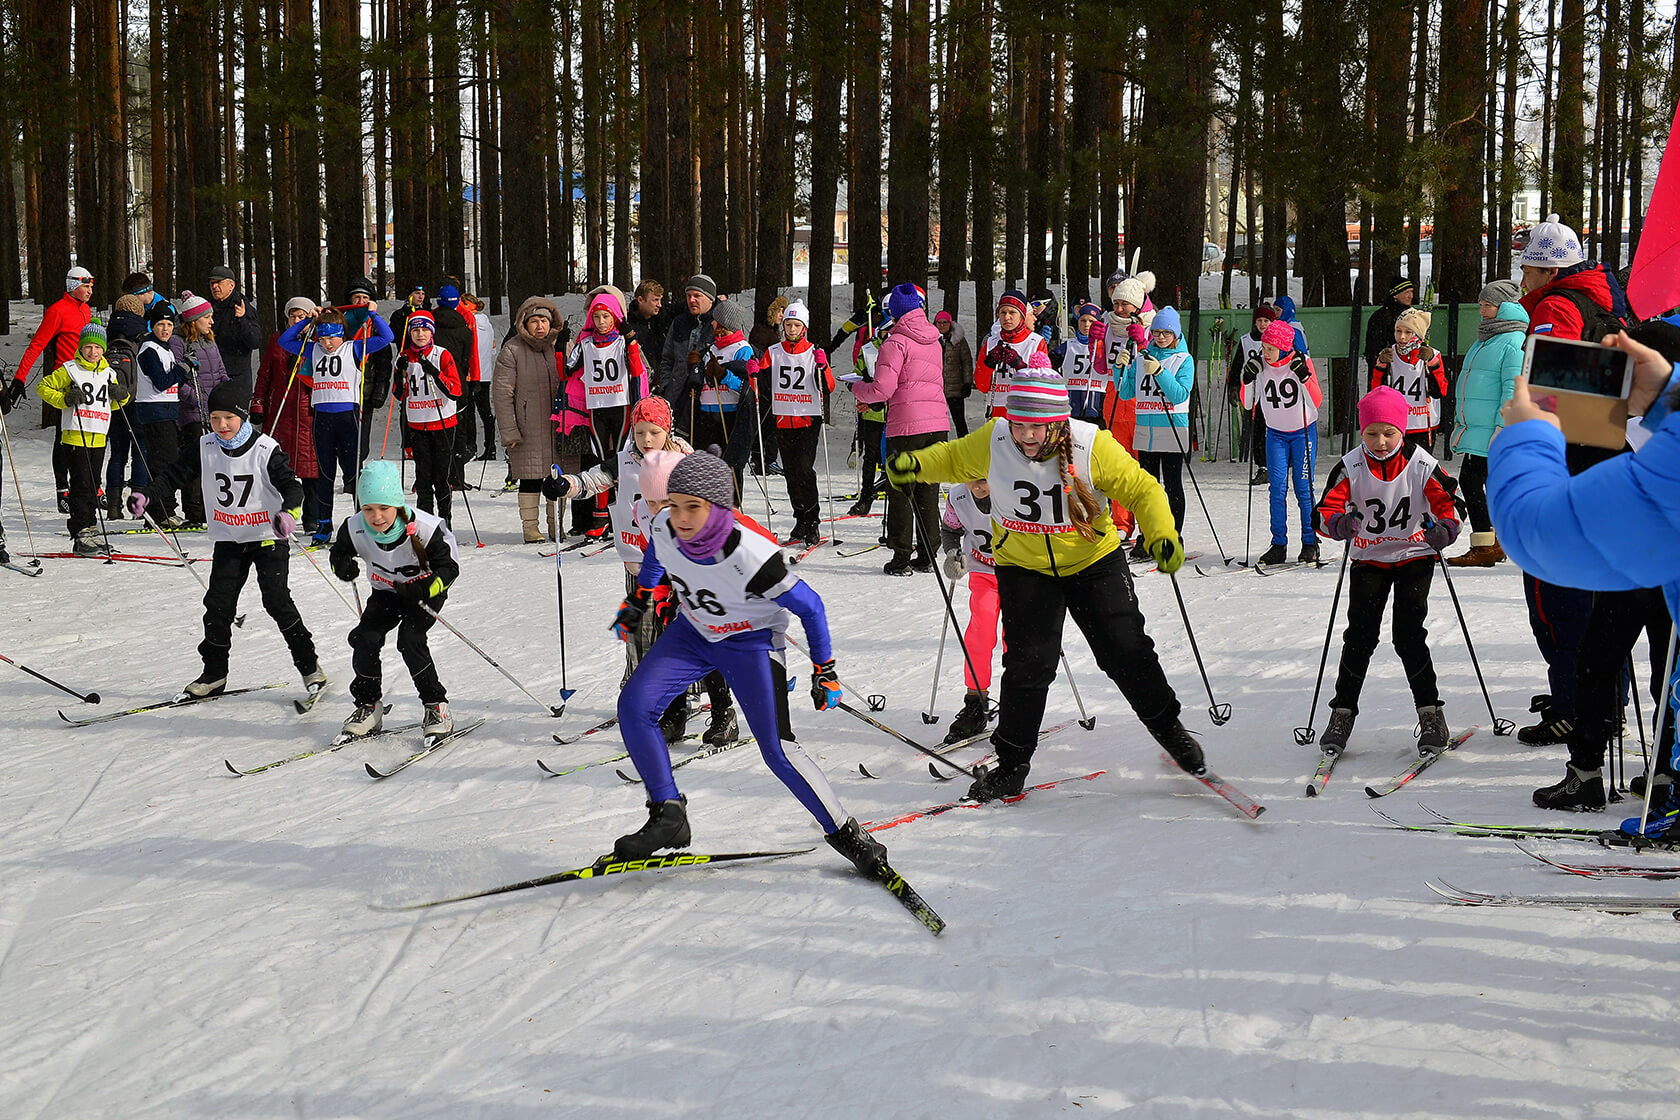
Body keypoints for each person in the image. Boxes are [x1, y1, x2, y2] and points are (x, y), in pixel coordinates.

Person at [884, 369, 1211, 802]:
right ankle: (1012, 763)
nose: (1025, 435)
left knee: (1125, 649)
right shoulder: (996, 439)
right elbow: (951, 458)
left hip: (1092, 561)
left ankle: (1169, 729)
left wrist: (1162, 534)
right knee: (1027, 665)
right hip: (1024, 566)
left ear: (1057, 421)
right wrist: (916, 464)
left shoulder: (1090, 443)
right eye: (1018, 423)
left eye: (1035, 426)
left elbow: (1143, 490)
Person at [606, 451, 890, 881]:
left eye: (693, 507)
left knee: (777, 751)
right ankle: (668, 813)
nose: (679, 517)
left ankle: (849, 835)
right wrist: (634, 608)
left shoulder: (747, 552)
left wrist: (824, 669)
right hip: (694, 634)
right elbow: (652, 566)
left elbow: (811, 608)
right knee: (634, 707)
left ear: (719, 509)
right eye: (673, 503)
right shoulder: (665, 526)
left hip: (750, 643)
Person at [1489, 330, 1680, 822]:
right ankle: (1628, 772)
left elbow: (1537, 527)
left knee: (1625, 665)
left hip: (1635, 558)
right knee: (1624, 665)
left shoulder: (1614, 424)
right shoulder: (1610, 417)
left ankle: (1648, 775)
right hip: (1641, 560)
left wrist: (1528, 434)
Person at [128, 382, 323, 701]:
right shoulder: (204, 446)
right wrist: (147, 495)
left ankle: (310, 668)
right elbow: (173, 475)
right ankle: (214, 674)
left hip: (266, 538)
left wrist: (289, 512)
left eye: (229, 418)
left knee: (277, 601)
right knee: (217, 606)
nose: (221, 426)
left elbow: (292, 487)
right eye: (216, 418)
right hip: (231, 539)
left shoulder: (264, 449)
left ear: (243, 417)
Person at [1512, 213, 1628, 745]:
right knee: (1596, 597)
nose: (1522, 277)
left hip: (1571, 469)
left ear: (1544, 269)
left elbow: (1551, 395)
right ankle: (1597, 701)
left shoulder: (1558, 307)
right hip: (1607, 461)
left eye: (1527, 267)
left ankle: (1576, 707)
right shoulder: (1604, 299)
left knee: (1556, 597)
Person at [1311, 386, 1461, 756]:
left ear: (1403, 429)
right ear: (1361, 432)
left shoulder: (1421, 463)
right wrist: (1338, 525)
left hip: (1414, 555)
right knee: (1359, 636)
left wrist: (1446, 528)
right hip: (1369, 558)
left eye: (1389, 433)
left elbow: (1451, 504)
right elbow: (1323, 512)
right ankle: (1342, 712)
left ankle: (1431, 714)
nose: (1380, 441)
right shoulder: (1350, 466)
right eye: (1371, 433)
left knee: (1408, 635)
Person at [329, 459, 461, 739]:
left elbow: (450, 569)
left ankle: (436, 705)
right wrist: (342, 566)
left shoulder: (427, 528)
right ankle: (369, 706)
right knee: (365, 638)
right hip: (386, 593)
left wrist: (425, 587)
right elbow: (338, 553)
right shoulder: (355, 527)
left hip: (424, 593)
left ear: (398, 505)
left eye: (384, 508)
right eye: (368, 508)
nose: (376, 517)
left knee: (410, 640)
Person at [277, 303, 396, 544]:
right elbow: (285, 341)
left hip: (348, 416)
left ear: (341, 334)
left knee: (353, 474)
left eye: (332, 338)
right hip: (323, 418)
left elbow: (387, 336)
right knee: (325, 473)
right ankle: (324, 524)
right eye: (323, 338)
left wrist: (372, 313)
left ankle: (365, 523)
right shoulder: (313, 350)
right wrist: (308, 322)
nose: (327, 343)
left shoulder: (354, 348)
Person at [854, 283, 947, 575]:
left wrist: (858, 388)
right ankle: (929, 553)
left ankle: (901, 557)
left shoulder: (895, 342)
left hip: (907, 425)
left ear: (894, 311)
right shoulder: (934, 339)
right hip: (937, 424)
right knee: (928, 490)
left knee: (901, 491)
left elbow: (883, 388)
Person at [1447, 280, 1526, 567]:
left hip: (1493, 430)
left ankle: (1488, 543)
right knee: (1482, 482)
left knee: (1472, 479)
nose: (1481, 309)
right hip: (1478, 429)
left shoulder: (1513, 341)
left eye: (1488, 304)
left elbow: (1512, 388)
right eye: (1481, 303)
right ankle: (1494, 540)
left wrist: (1502, 427)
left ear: (1504, 307)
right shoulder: (1488, 337)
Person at [6, 265, 95, 508]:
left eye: (91, 286)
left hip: (87, 380)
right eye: (85, 286)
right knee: (64, 436)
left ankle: (88, 487)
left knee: (86, 433)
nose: (90, 290)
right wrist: (19, 378)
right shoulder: (58, 311)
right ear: (73, 286)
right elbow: (37, 344)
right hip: (65, 380)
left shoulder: (86, 310)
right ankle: (62, 490)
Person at [37, 320, 128, 555]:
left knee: (94, 486)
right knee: (81, 485)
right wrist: (64, 399)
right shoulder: (70, 369)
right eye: (88, 347)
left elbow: (118, 403)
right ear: (80, 347)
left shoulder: (109, 373)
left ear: (103, 349)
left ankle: (91, 528)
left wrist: (122, 394)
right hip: (75, 435)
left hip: (98, 435)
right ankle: (80, 533)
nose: (93, 352)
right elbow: (43, 387)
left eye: (97, 348)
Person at [1241, 317, 1323, 564]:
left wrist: (1304, 377)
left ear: (1284, 347)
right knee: (1276, 489)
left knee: (1303, 488)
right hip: (1275, 434)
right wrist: (1247, 379)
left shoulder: (1301, 361)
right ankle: (1279, 543)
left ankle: (1310, 542)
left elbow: (1317, 401)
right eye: (1263, 347)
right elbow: (1248, 403)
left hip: (1302, 433)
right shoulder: (1260, 365)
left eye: (1270, 348)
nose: (1265, 353)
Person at [1118, 305, 1194, 554]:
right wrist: (1121, 369)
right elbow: (1127, 392)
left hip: (1172, 428)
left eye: (1167, 333)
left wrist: (1160, 372)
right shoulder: (1142, 356)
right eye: (1157, 332)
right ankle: (1147, 535)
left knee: (1172, 486)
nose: (1161, 337)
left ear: (1176, 335)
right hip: (1145, 431)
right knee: (1147, 489)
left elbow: (1180, 394)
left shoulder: (1184, 359)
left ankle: (1172, 536)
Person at [492, 295, 564, 543]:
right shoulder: (512, 350)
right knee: (531, 478)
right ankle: (530, 527)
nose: (540, 326)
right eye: (534, 321)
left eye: (544, 320)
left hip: (557, 425)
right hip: (527, 427)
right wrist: (510, 431)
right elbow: (502, 394)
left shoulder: (560, 346)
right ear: (524, 323)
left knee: (557, 478)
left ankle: (557, 525)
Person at [762, 299, 834, 545]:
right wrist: (753, 371)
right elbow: (759, 380)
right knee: (791, 473)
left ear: (804, 328)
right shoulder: (774, 352)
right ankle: (800, 517)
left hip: (807, 420)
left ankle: (813, 519)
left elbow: (830, 386)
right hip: (783, 420)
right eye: (788, 324)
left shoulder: (814, 353)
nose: (791, 329)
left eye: (796, 325)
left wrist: (823, 368)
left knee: (804, 470)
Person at [937, 479, 1002, 743]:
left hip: (1021, 574)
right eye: (971, 478)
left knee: (1019, 639)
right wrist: (953, 554)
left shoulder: (1011, 486)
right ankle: (976, 701)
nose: (978, 486)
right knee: (980, 634)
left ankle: (1018, 704)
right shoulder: (958, 496)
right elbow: (950, 530)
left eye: (985, 479)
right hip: (984, 571)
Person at [252, 297, 322, 532]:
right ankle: (277, 512)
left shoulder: (318, 342)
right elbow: (264, 374)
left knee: (311, 469)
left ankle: (312, 517)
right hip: (280, 413)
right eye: (292, 316)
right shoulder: (278, 341)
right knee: (277, 468)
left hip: (308, 412)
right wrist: (258, 404)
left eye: (301, 316)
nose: (296, 320)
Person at [392, 309, 464, 526]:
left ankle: (445, 522)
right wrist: (399, 374)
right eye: (415, 330)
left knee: (441, 477)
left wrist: (434, 371)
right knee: (422, 478)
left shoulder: (442, 354)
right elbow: (399, 394)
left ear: (431, 332)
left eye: (424, 330)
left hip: (442, 422)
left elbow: (455, 390)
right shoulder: (404, 356)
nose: (420, 334)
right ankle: (425, 523)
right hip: (417, 424)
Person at [175, 293, 232, 527]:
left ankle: (212, 506)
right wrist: (193, 398)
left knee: (214, 461)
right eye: (207, 317)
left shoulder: (210, 341)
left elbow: (220, 371)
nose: (211, 321)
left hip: (213, 411)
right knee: (195, 461)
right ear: (194, 319)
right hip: (192, 410)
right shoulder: (179, 342)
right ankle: (194, 508)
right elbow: (176, 380)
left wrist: (226, 396)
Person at [132, 301, 186, 524]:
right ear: (152, 325)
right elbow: (161, 382)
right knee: (161, 463)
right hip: (154, 410)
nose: (165, 329)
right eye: (160, 324)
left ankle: (166, 508)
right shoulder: (149, 349)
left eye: (169, 325)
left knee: (169, 461)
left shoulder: (164, 348)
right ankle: (159, 511)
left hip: (167, 410)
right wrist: (182, 370)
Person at [693, 298, 754, 494]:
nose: (712, 323)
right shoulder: (711, 348)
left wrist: (723, 375)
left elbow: (747, 387)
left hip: (728, 416)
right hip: (705, 414)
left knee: (729, 467)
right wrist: (694, 369)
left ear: (724, 324)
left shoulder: (742, 349)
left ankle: (732, 510)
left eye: (715, 320)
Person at [1369, 307, 1447, 453]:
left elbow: (1440, 391)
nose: (1402, 337)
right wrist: (1380, 366)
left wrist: (1432, 364)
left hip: (1423, 424)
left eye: (1408, 332)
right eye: (1398, 331)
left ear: (1418, 334)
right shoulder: (1389, 354)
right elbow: (1376, 391)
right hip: (1396, 423)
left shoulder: (1432, 354)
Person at [101, 294, 150, 520]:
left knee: (117, 454)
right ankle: (137, 508)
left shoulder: (107, 334)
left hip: (114, 402)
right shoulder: (142, 334)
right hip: (137, 401)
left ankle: (113, 506)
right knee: (140, 452)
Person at [343, 277, 397, 463]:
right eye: (356, 297)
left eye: (365, 298)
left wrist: (380, 392)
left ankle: (356, 472)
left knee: (361, 438)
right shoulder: (340, 324)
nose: (360, 302)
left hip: (365, 391)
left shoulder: (376, 327)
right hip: (341, 390)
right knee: (343, 438)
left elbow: (384, 363)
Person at [974, 290, 1049, 419]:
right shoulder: (991, 342)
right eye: (1003, 313)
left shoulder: (1036, 342)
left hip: (1024, 411)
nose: (1007, 317)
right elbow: (981, 386)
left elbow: (1043, 386)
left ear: (1022, 316)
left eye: (1012, 312)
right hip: (996, 412)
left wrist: (1020, 366)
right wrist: (988, 364)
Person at [658, 275, 718, 425]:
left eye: (697, 296)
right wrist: (667, 385)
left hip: (709, 400)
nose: (691, 300)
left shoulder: (720, 323)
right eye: (689, 296)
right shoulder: (679, 322)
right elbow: (667, 358)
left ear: (710, 298)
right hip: (676, 397)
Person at [1230, 304, 1279, 483]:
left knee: (1276, 429)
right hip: (1255, 393)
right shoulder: (1246, 340)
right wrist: (1234, 385)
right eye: (1259, 320)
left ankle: (1278, 463)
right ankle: (1263, 466)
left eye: (1266, 320)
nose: (1262, 324)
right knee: (1258, 430)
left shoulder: (1278, 341)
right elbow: (1237, 365)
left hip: (1275, 392)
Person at [206, 265, 264, 395]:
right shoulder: (209, 307)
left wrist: (241, 320)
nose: (215, 287)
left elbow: (255, 342)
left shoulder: (243, 307)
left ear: (231, 285)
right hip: (212, 376)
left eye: (219, 282)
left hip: (236, 379)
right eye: (212, 283)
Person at [458, 292, 499, 460]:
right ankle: (490, 447)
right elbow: (493, 349)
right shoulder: (487, 324)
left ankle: (471, 447)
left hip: (471, 374)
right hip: (485, 374)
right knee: (485, 412)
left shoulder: (469, 322)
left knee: (469, 412)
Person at [1058, 302, 1103, 425]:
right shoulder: (1069, 345)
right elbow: (1049, 363)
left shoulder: (1104, 345)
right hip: (1073, 404)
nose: (1087, 325)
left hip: (1096, 405)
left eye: (1091, 321)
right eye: (1083, 320)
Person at [933, 309, 974, 438]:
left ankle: (965, 446)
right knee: (937, 422)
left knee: (959, 420)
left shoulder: (959, 340)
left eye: (945, 322)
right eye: (939, 322)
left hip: (955, 388)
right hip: (936, 388)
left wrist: (967, 382)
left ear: (950, 324)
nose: (942, 325)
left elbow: (967, 361)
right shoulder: (931, 340)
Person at [1363, 278, 1415, 376]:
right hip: (1385, 372)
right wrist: (1383, 360)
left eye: (1412, 292)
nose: (1411, 296)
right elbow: (1373, 348)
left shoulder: (1413, 315)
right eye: (1407, 292)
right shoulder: (1380, 317)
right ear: (1395, 295)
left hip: (1409, 374)